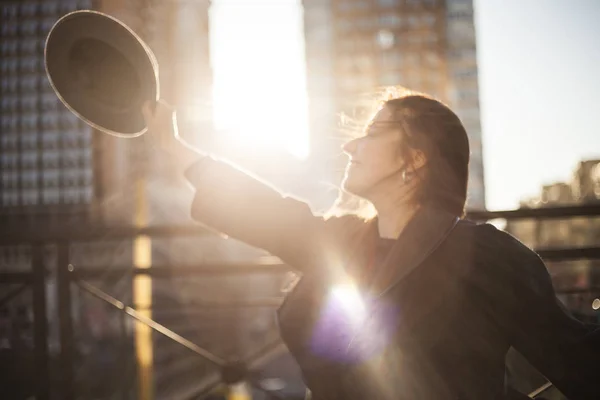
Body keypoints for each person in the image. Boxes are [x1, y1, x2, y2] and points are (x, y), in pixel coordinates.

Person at [142, 93, 600, 400]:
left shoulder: (489, 256)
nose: (350, 147)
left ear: (415, 158)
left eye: (373, 131)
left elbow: (577, 358)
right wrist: (175, 145)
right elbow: (269, 213)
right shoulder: (343, 241)